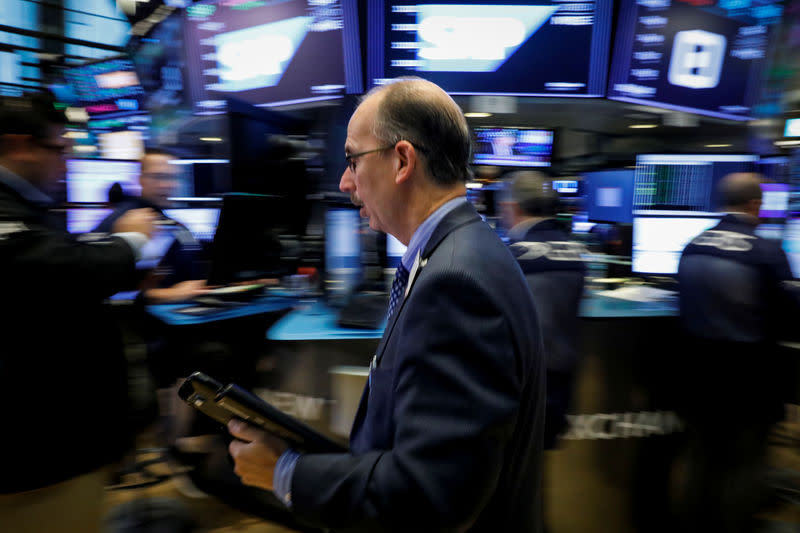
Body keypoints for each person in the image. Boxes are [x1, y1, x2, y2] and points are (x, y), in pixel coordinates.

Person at [227, 77, 546, 532]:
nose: (344, 182)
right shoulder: (462, 251)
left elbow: (431, 493)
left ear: (401, 160)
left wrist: (285, 473)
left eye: (353, 159)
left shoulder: (454, 282)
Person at [0, 92, 156, 532]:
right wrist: (131, 241)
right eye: (60, 148)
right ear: (19, 145)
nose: (67, 160)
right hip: (35, 450)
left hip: (54, 443)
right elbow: (49, 270)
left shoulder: (27, 209)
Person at [676, 172, 800, 533]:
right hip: (749, 384)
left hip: (696, 380)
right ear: (755, 205)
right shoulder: (765, 252)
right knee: (744, 467)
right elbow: (789, 318)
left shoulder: (693, 245)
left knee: (700, 463)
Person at [500, 170, 586, 450]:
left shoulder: (511, 257)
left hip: (519, 388)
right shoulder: (576, 253)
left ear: (512, 208)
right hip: (560, 384)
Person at [94, 147, 209, 303]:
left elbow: (197, 257)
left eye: (173, 178)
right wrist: (167, 295)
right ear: (140, 179)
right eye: (158, 176)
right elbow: (99, 289)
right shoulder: (119, 222)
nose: (166, 185)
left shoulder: (179, 227)